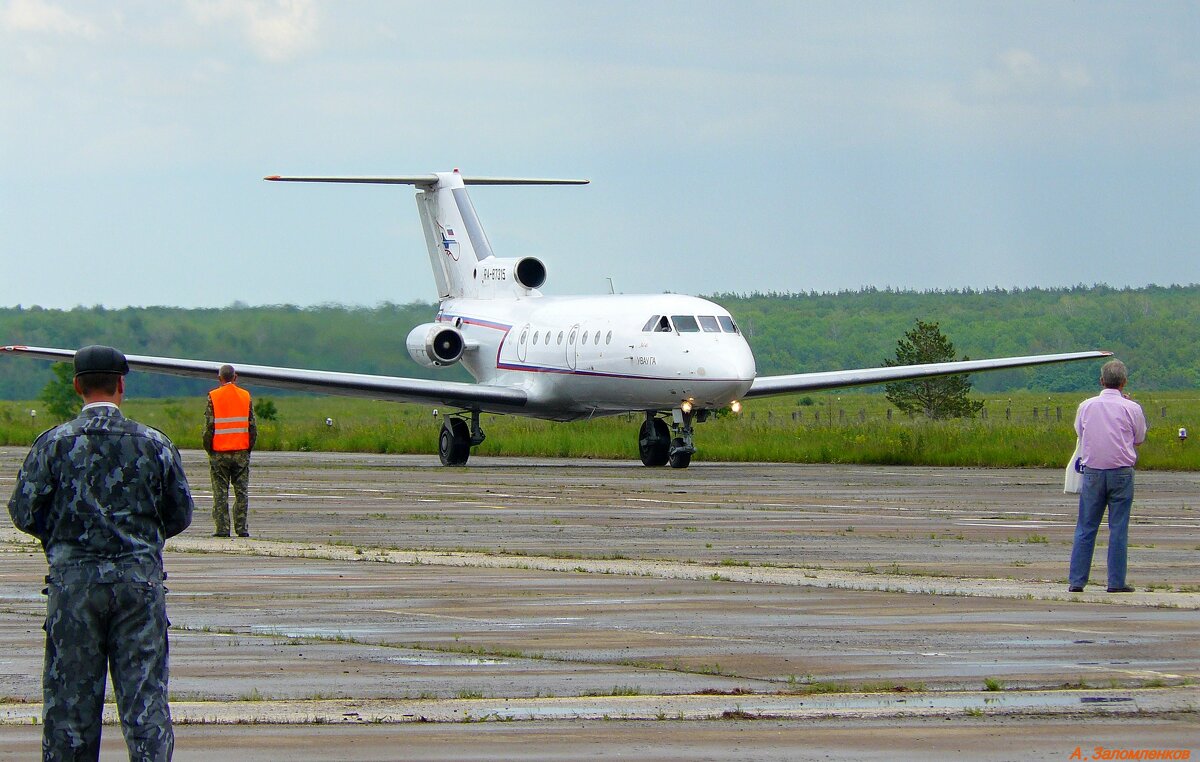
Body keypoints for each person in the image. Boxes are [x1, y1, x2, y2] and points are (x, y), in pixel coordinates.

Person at [8, 344, 194, 760]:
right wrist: (140, 541)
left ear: (77, 386)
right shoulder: (154, 444)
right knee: (145, 705)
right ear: (121, 385)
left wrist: (63, 541)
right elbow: (180, 513)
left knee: (70, 709)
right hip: (138, 587)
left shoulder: (53, 444)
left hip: (74, 589)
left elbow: (23, 511)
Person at [1068, 359, 1148, 593]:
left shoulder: (1086, 406)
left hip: (1092, 472)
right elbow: (1139, 438)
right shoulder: (1131, 408)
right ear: (1124, 382)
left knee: (1085, 527)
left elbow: (1079, 433)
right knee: (1118, 528)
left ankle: (1077, 580)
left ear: (1102, 381)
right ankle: (1115, 582)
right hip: (1121, 472)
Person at [203, 364, 256, 537]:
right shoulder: (245, 396)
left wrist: (209, 448)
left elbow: (209, 426)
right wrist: (248, 448)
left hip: (219, 452)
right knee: (241, 492)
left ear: (219, 378)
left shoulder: (213, 396)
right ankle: (242, 529)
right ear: (236, 377)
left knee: (220, 492)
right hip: (241, 451)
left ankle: (222, 529)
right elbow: (252, 426)